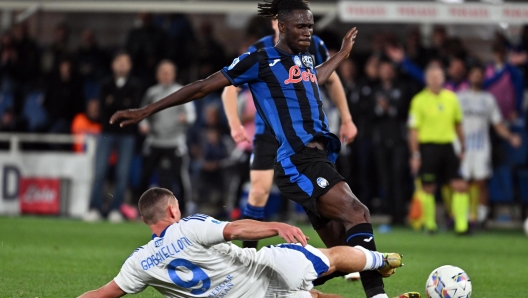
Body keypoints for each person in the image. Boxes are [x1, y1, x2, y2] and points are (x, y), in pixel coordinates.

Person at [110, 1, 418, 297]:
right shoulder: (259, 59)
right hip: (298, 159)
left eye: (310, 25)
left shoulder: (306, 58)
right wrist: (147, 111)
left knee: (340, 253)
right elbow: (204, 85)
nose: (308, 31)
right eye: (300, 26)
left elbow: (316, 78)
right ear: (282, 26)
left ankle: (260, 282)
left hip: (318, 157)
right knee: (358, 212)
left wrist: (342, 55)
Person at [78, 187, 404, 298]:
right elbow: (235, 229)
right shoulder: (188, 227)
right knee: (330, 257)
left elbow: (104, 294)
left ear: (146, 221)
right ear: (172, 209)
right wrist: (275, 224)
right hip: (264, 267)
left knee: (314, 297)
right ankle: (381, 260)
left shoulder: (140, 262)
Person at [221, 17, 357, 249]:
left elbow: (331, 80)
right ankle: (249, 257)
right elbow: (229, 88)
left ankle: (346, 255)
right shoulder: (259, 49)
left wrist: (347, 118)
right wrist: (235, 124)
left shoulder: (314, 45)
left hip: (305, 134)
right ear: (277, 22)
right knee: (259, 190)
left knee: (329, 193)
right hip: (269, 133)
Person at [408, 65, 470, 235]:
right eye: (432, 77)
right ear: (426, 79)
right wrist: (415, 154)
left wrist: (463, 146)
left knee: (460, 185)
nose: (436, 80)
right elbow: (413, 131)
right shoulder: (418, 100)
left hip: (448, 146)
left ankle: (461, 226)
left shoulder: (451, 98)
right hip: (428, 147)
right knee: (428, 187)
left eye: (439, 77)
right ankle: (430, 226)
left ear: (443, 79)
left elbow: (458, 124)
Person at [457, 65, 522, 225]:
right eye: (474, 74)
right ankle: (461, 217)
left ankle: (480, 217)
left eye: (480, 75)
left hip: (481, 147)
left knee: (481, 182)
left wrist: (510, 137)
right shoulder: (459, 98)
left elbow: (497, 124)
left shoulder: (488, 99)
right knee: (462, 181)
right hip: (462, 147)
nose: (477, 77)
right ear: (469, 76)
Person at [83, 52, 143, 223]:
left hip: (127, 134)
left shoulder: (136, 85)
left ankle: (115, 209)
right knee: (99, 171)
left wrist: (115, 104)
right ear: (112, 65)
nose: (122, 65)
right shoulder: (105, 83)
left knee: (122, 174)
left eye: (126, 62)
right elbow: (103, 109)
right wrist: (122, 104)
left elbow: (134, 109)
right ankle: (94, 208)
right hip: (107, 133)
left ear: (130, 66)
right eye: (119, 61)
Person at [135, 60, 195, 217]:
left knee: (180, 176)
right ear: (157, 75)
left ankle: (186, 209)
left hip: (175, 141)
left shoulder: (182, 91)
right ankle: (140, 211)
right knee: (145, 175)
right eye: (163, 72)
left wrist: (186, 119)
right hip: (155, 140)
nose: (166, 75)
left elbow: (191, 115)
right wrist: (144, 124)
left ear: (174, 74)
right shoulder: (152, 92)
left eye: (169, 72)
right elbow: (142, 113)